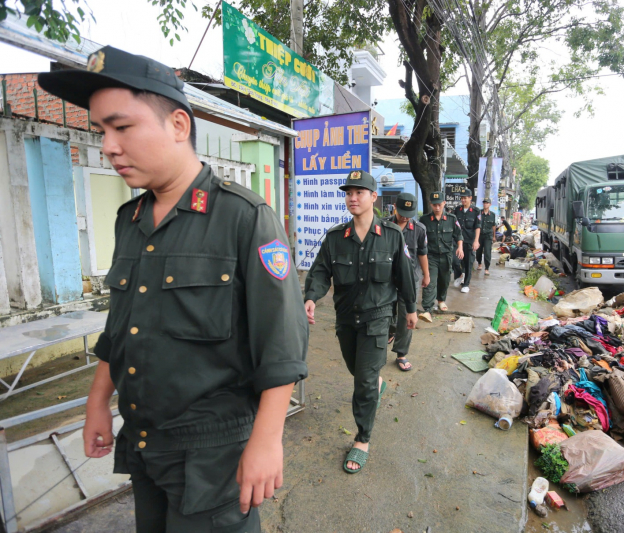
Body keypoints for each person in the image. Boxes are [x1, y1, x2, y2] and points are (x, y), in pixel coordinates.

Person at [39, 46, 309, 532]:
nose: (108, 147)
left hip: (214, 456)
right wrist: (97, 401)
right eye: (101, 131)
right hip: (146, 442)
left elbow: (283, 345)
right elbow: (122, 326)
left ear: (179, 126)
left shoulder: (244, 218)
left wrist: (267, 441)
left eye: (122, 127)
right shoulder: (131, 219)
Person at [303, 170, 417, 473]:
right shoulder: (335, 238)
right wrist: (311, 297)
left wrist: (411, 308)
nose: (352, 198)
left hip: (378, 317)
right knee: (358, 371)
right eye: (349, 193)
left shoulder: (392, 235)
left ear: (373, 197)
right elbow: (319, 272)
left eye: (359, 192)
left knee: (363, 381)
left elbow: (404, 276)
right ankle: (374, 382)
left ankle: (362, 439)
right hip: (346, 318)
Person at [386, 193, 430, 371]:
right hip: (386, 278)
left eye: (409, 212)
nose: (405, 216)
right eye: (402, 211)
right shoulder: (385, 225)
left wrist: (426, 275)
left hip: (409, 279)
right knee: (385, 311)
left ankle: (401, 353)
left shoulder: (419, 229)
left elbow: (422, 253)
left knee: (407, 316)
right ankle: (390, 331)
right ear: (395, 206)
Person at [418, 191, 464, 322]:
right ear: (430, 205)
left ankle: (441, 300)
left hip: (446, 255)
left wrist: (460, 247)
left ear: (444, 203)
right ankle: (427, 310)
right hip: (430, 256)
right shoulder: (424, 220)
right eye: (434, 205)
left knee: (444, 280)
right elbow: (419, 238)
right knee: (429, 282)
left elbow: (459, 235)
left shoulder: (451, 219)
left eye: (439, 205)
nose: (437, 208)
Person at [452, 189, 481, 293]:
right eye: (462, 198)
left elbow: (477, 226)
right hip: (457, 240)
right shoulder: (457, 210)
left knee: (468, 262)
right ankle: (459, 275)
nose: (463, 200)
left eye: (465, 198)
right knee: (454, 260)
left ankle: (466, 284)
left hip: (469, 240)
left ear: (470, 198)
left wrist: (476, 240)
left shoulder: (476, 211)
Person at [475, 198, 497, 275]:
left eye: (487, 203)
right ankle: (479, 263)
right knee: (478, 251)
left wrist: (494, 236)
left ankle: (487, 268)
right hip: (480, 235)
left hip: (488, 236)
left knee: (487, 252)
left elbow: (493, 226)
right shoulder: (479, 213)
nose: (485, 204)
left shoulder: (492, 215)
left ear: (490, 204)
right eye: (484, 203)